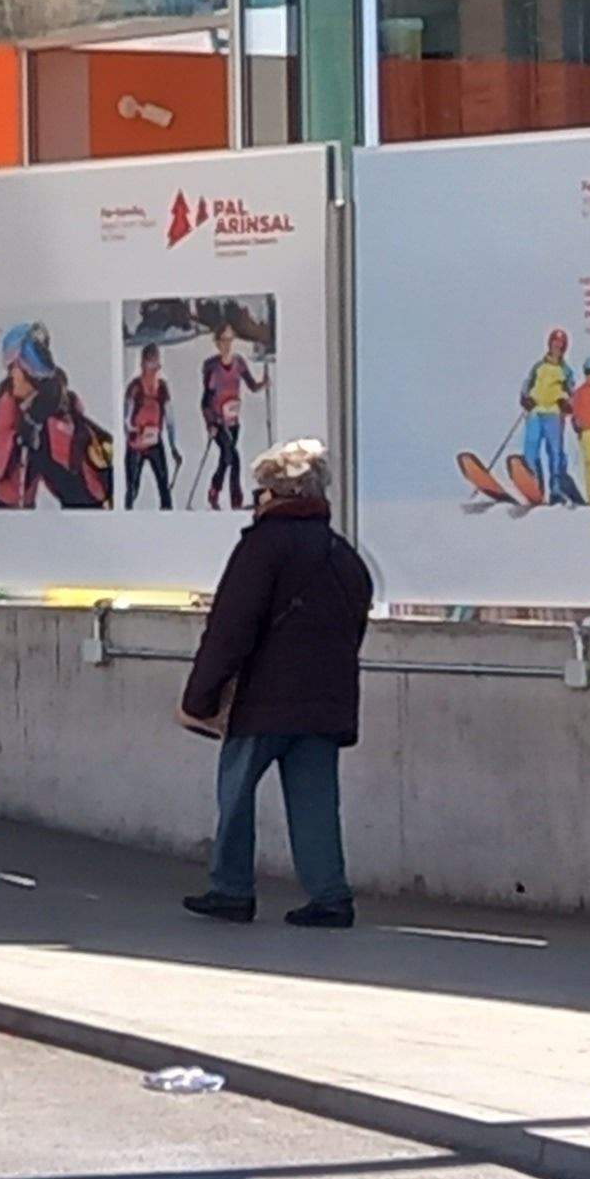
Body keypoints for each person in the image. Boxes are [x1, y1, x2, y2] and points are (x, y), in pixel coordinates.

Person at [180, 437, 374, 930]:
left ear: (271, 494)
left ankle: (231, 890)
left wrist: (201, 695)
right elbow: (354, 627)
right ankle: (330, 897)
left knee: (237, 793)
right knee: (315, 802)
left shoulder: (261, 548)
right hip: (324, 703)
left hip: (263, 701)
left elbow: (230, 628)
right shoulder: (342, 554)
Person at [199, 319, 265, 510]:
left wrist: (263, 384)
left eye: (230, 339)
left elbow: (251, 385)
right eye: (223, 340)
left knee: (228, 458)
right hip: (218, 422)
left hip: (233, 421)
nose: (227, 345)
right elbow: (205, 401)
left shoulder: (239, 363)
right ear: (217, 343)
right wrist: (211, 422)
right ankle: (232, 498)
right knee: (232, 457)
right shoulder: (212, 367)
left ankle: (216, 492)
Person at [520, 330, 582, 507]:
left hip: (554, 413)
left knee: (555, 451)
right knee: (531, 446)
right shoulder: (538, 366)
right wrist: (525, 398)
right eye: (555, 343)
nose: (557, 346)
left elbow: (572, 393)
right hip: (536, 411)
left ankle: (556, 489)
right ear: (550, 344)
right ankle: (533, 484)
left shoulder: (565, 370)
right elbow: (527, 384)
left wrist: (566, 403)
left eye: (560, 344)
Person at [122, 344, 177, 511]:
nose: (153, 368)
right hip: (136, 445)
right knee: (132, 488)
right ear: (143, 364)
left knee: (164, 487)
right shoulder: (135, 387)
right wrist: (133, 432)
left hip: (155, 443)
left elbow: (169, 419)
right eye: (149, 363)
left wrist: (173, 446)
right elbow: (126, 417)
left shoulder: (162, 388)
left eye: (156, 363)